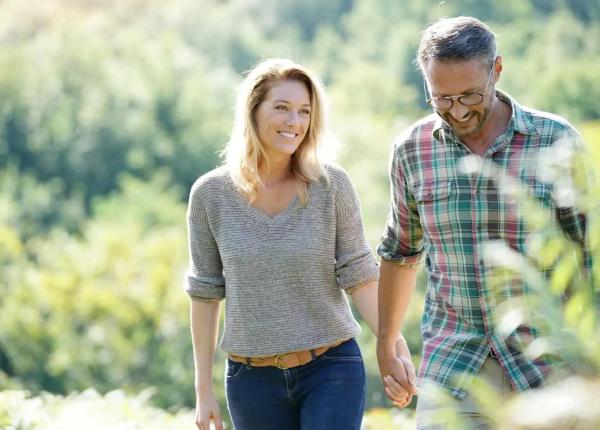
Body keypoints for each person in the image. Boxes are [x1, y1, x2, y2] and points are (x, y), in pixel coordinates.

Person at [375, 16, 593, 429]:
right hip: (454, 360)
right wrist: (387, 342)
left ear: (496, 69)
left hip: (547, 363)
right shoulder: (411, 151)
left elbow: (589, 257)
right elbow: (401, 250)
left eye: (469, 95)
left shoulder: (556, 140)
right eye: (440, 98)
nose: (456, 110)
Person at [185, 58, 382, 430]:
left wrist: (391, 343)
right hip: (251, 380)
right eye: (282, 108)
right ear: (253, 111)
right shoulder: (211, 195)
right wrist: (203, 390)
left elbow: (359, 273)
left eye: (304, 111)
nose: (294, 122)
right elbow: (205, 292)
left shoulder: (331, 186)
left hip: (331, 368)